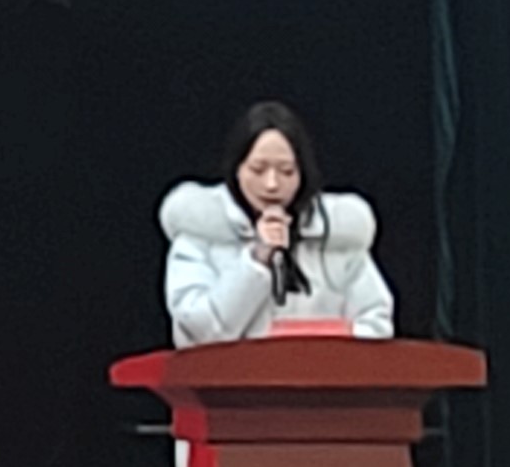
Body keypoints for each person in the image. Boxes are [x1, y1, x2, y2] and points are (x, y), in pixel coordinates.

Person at [162, 100, 396, 344]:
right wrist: (257, 261)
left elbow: (377, 323)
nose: (272, 184)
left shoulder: (338, 238)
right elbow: (200, 332)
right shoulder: (200, 233)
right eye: (258, 169)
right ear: (237, 169)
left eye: (286, 171)